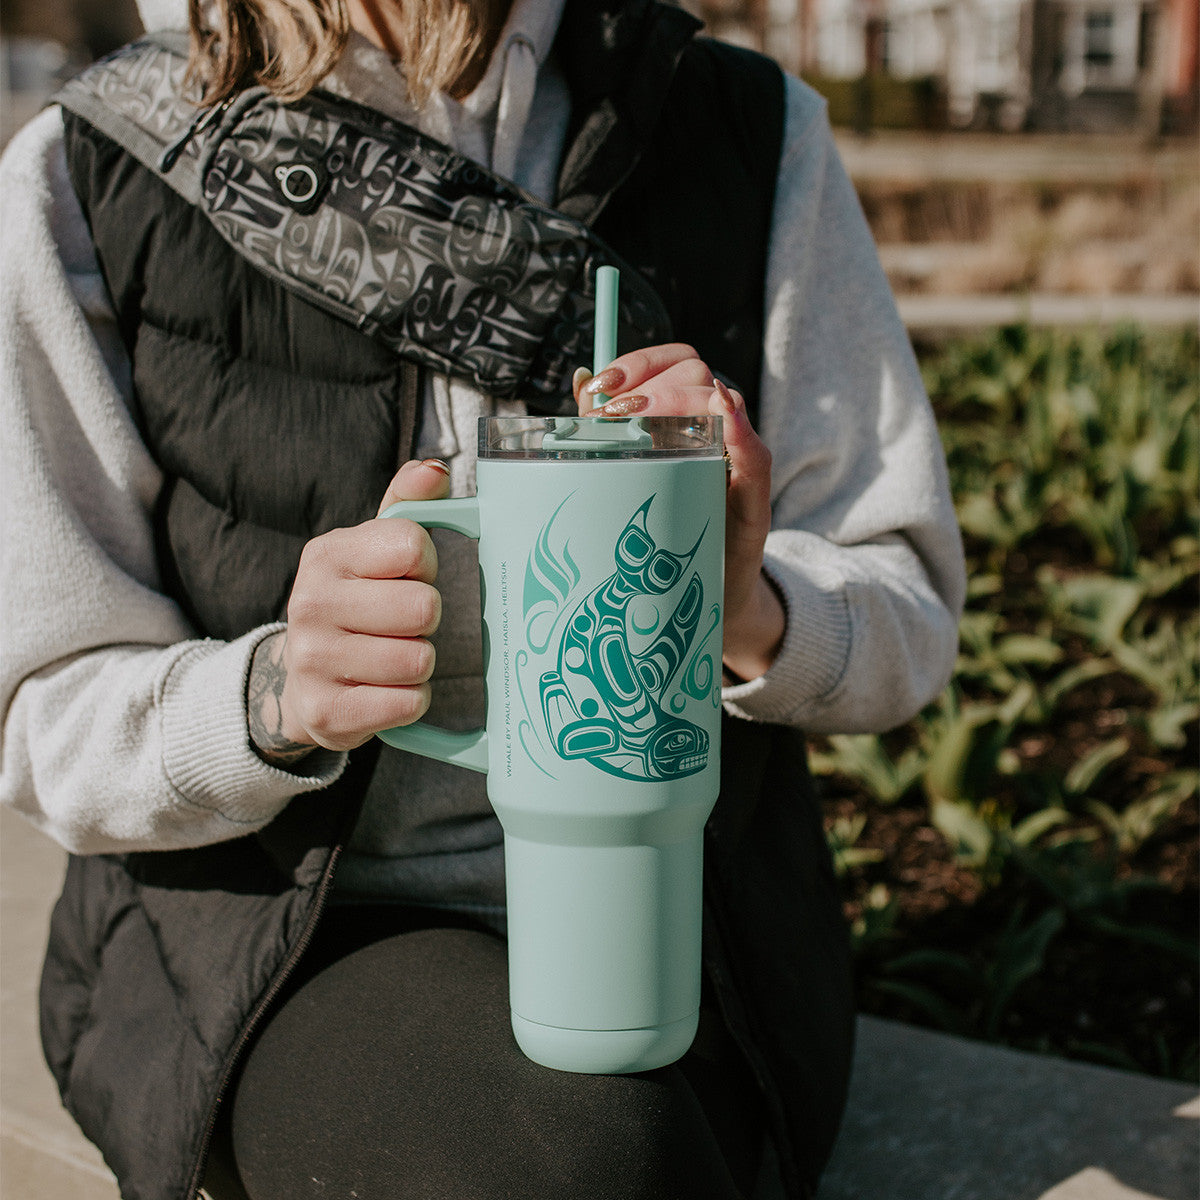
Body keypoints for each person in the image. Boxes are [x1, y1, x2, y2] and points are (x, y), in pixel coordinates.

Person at [0, 0, 966, 1197]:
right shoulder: (88, 170)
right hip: (288, 945)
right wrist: (267, 695)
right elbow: (38, 709)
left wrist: (743, 599)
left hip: (685, 923)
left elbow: (907, 608)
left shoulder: (746, 132)